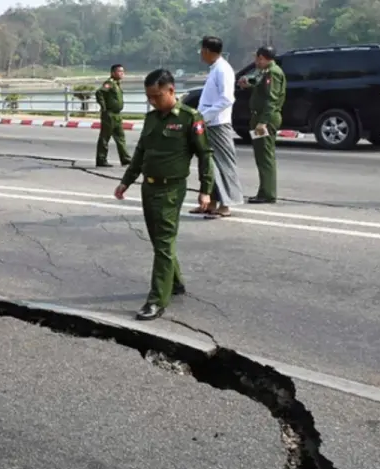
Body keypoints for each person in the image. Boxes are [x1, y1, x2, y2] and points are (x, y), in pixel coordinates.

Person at [115, 69, 214, 321]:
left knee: (163, 242)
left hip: (171, 189)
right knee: (159, 240)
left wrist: (205, 191)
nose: (152, 101)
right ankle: (176, 282)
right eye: (148, 97)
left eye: (156, 96)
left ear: (171, 90)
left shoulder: (190, 118)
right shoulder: (151, 119)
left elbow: (205, 155)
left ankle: (157, 299)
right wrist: (126, 182)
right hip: (148, 187)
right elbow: (140, 153)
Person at [194, 35, 244, 218]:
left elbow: (227, 99)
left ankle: (226, 205)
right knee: (209, 164)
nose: (200, 54)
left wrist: (205, 116)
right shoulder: (215, 69)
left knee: (223, 163)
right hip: (209, 123)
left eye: (201, 50)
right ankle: (211, 202)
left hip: (218, 123)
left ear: (207, 51)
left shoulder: (223, 70)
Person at [238, 46, 286, 204]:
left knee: (265, 156)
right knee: (261, 155)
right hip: (259, 118)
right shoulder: (265, 72)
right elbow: (261, 89)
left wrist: (263, 123)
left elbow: (271, 99)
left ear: (262, 58)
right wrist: (248, 85)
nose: (256, 62)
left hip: (265, 119)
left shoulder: (273, 73)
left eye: (257, 58)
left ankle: (268, 193)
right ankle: (264, 191)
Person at [95, 64, 131, 168]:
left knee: (121, 137)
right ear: (113, 73)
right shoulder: (109, 83)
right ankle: (101, 159)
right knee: (105, 138)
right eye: (119, 71)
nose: (122, 73)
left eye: (123, 71)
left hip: (117, 115)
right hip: (109, 114)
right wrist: (104, 107)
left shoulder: (117, 84)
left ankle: (125, 159)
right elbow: (99, 93)